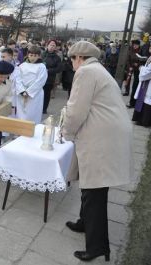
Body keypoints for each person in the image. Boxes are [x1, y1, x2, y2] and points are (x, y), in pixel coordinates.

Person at [63, 41, 132, 262]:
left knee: (94, 192)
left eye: (72, 58)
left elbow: (75, 111)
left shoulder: (85, 72)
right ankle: (85, 223)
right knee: (91, 185)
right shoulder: (98, 69)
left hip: (101, 137)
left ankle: (98, 247)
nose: (71, 63)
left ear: (79, 57)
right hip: (106, 133)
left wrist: (66, 133)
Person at [14, 45, 48, 124]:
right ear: (28, 55)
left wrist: (29, 92)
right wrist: (22, 91)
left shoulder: (41, 66)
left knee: (33, 114)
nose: (32, 58)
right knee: (21, 114)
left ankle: (32, 131)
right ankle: (20, 132)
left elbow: (40, 81)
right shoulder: (22, 66)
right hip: (22, 93)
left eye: (35, 56)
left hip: (35, 94)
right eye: (31, 55)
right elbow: (18, 79)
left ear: (39, 56)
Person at [42, 39, 62, 114]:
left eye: (54, 45)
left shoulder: (57, 58)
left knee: (46, 94)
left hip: (49, 79)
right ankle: (38, 107)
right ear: (47, 45)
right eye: (51, 45)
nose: (52, 47)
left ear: (56, 47)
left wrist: (48, 70)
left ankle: (44, 109)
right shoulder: (42, 54)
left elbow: (59, 68)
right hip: (40, 78)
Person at [132, 48, 151, 126]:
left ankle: (145, 121)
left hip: (149, 83)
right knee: (142, 99)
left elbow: (149, 72)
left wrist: (141, 68)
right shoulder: (149, 57)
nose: (150, 48)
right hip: (146, 83)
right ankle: (139, 119)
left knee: (147, 100)